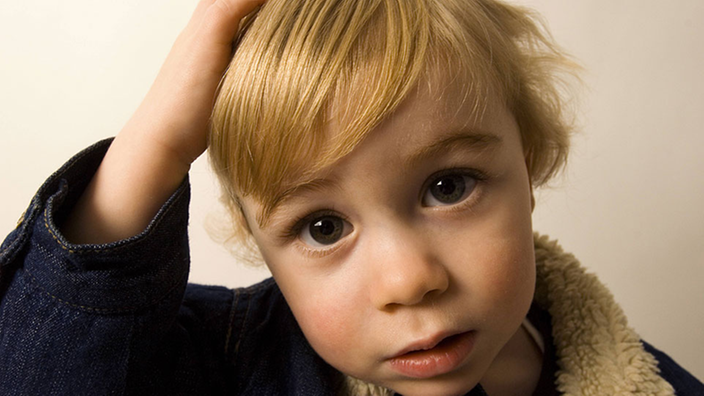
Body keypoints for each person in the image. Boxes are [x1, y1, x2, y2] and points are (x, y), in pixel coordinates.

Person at [0, 0, 701, 395]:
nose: (409, 280)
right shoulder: (224, 362)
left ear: (531, 157)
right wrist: (152, 149)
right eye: (324, 226)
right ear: (258, 243)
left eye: (447, 187)